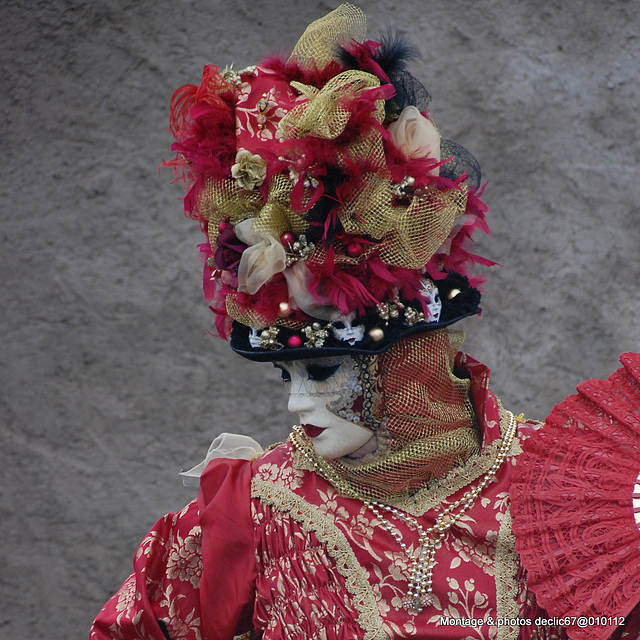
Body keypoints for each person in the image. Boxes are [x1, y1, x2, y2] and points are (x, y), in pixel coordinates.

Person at [90, 5, 640, 639]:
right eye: (286, 375)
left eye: (322, 368)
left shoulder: (568, 495)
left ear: (403, 358)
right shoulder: (256, 506)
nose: (298, 404)